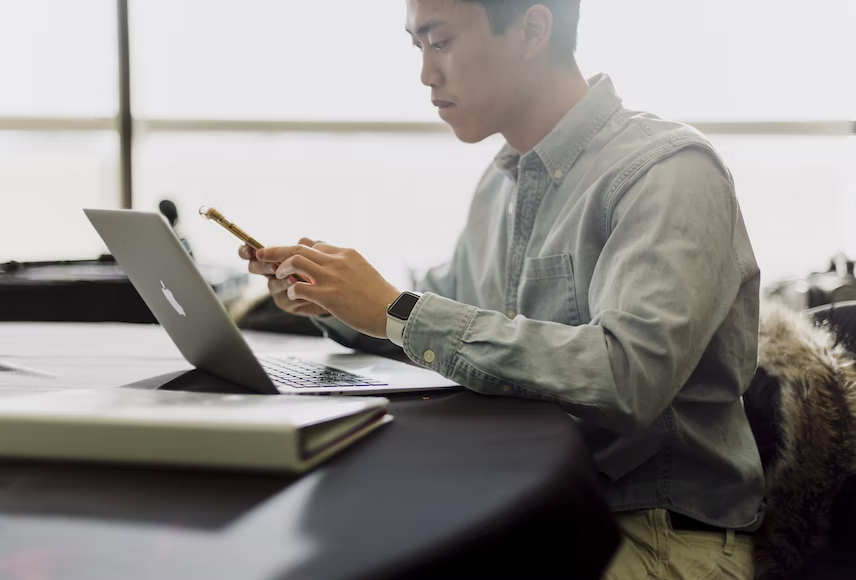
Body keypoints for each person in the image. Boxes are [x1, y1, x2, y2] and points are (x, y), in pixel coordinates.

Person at [240, 1, 763, 577]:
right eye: (417, 47)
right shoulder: (501, 183)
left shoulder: (667, 171)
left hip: (651, 530)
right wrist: (336, 300)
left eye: (439, 41)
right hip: (532, 505)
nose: (426, 74)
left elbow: (628, 376)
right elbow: (441, 323)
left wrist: (396, 310)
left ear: (532, 30)